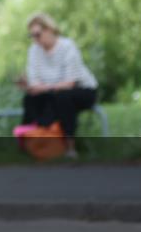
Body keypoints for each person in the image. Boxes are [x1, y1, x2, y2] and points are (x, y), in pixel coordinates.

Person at [20, 12, 98, 157]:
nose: (35, 39)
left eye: (37, 34)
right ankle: (32, 143)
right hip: (53, 92)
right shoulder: (34, 51)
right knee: (30, 99)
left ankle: (70, 147)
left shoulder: (67, 46)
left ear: (49, 29)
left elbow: (70, 83)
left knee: (63, 98)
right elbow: (35, 82)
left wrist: (42, 87)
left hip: (82, 90)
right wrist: (32, 87)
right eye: (32, 36)